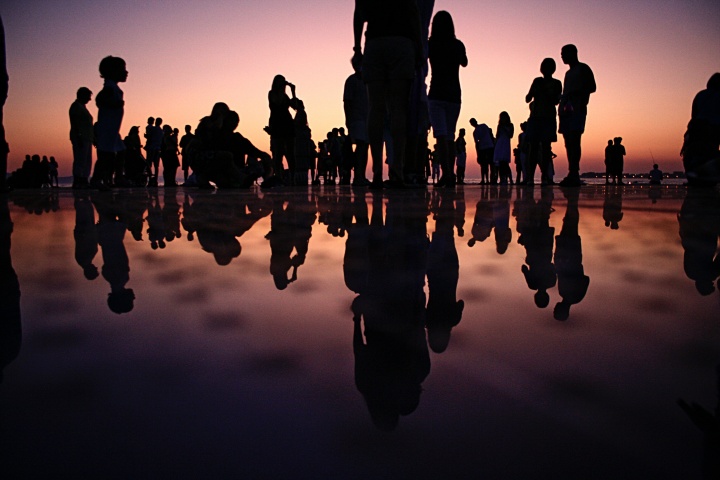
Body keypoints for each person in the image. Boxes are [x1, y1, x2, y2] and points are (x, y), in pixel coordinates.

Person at [353, 0, 423, 188]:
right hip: (402, 42)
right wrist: (419, 46)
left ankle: (377, 173)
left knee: (375, 108)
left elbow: (359, 11)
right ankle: (397, 172)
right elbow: (413, 11)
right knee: (398, 108)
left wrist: (357, 48)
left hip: (375, 41)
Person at [427, 10, 467, 188]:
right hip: (453, 95)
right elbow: (464, 62)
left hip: (436, 93)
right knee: (449, 136)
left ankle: (448, 174)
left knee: (441, 137)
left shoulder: (431, 44)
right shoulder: (457, 44)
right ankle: (448, 174)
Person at [558, 44, 596, 187]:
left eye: (563, 53)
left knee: (575, 140)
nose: (561, 56)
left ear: (572, 53)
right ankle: (571, 171)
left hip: (578, 109)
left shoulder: (583, 68)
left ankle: (574, 172)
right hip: (565, 111)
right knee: (568, 142)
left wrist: (576, 93)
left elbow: (592, 87)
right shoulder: (568, 74)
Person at [91, 56, 128, 191]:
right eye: (122, 70)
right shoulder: (109, 87)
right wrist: (114, 104)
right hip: (107, 128)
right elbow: (99, 99)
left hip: (113, 129)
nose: (126, 73)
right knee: (105, 156)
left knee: (121, 151)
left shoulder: (114, 88)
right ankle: (96, 179)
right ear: (112, 72)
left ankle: (118, 177)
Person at [525, 58, 562, 185]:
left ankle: (545, 176)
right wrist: (534, 91)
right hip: (535, 118)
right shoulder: (537, 81)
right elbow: (527, 98)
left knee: (546, 148)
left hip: (548, 118)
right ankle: (530, 177)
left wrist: (546, 93)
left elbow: (556, 101)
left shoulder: (557, 83)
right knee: (533, 148)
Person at [681, 73, 720, 186]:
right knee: (710, 151)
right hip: (713, 128)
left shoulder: (701, 95)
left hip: (698, 127)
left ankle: (696, 177)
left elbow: (694, 114)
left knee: (693, 152)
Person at [343, 55, 370, 186]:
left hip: (367, 119)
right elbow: (347, 102)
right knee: (361, 146)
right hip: (357, 119)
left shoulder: (368, 80)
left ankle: (361, 175)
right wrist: (348, 119)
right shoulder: (351, 81)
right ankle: (358, 176)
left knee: (365, 147)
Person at [267, 74, 299, 184]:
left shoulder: (285, 96)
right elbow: (276, 103)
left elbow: (295, 107)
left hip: (287, 124)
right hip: (277, 124)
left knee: (291, 153)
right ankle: (279, 178)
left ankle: (292, 178)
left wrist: (293, 92)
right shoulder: (272, 94)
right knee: (278, 153)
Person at [69, 87, 94, 189]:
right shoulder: (76, 107)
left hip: (87, 138)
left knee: (87, 160)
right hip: (80, 137)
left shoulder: (82, 107)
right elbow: (75, 123)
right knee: (80, 159)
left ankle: (84, 180)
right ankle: (78, 181)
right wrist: (78, 136)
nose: (89, 99)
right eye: (88, 97)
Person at [470, 118, 494, 184]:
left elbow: (490, 133)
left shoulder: (482, 127)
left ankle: (488, 180)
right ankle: (485, 179)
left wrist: (478, 153)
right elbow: (477, 143)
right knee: (485, 165)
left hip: (486, 147)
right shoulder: (481, 128)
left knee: (487, 164)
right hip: (486, 147)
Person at [493, 112, 514, 185]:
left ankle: (509, 179)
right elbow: (497, 135)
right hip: (499, 143)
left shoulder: (510, 125)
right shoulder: (499, 125)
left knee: (505, 163)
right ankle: (502, 179)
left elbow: (511, 135)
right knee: (499, 163)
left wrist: (505, 129)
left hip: (505, 143)